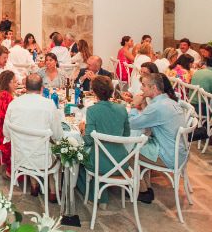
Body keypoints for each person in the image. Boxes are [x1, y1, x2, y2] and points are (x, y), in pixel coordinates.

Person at [129, 73, 186, 204]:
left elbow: (132, 123)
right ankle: (146, 187)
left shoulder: (157, 107)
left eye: (143, 85)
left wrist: (134, 105)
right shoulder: (170, 102)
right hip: (179, 152)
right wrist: (143, 106)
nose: (141, 89)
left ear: (154, 88)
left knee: (129, 149)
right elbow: (148, 119)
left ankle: (142, 191)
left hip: (169, 156)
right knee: (142, 144)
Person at [3, 73, 62, 199]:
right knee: (55, 150)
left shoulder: (14, 104)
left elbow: (6, 132)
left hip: (20, 157)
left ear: (25, 86)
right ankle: (53, 192)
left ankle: (34, 185)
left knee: (30, 141)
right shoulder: (49, 105)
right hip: (42, 160)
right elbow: (58, 136)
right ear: (42, 88)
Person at [76, 76, 131, 208]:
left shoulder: (92, 110)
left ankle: (96, 196)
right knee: (97, 156)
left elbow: (88, 140)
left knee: (77, 160)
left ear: (94, 92)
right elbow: (126, 134)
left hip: (99, 163)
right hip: (121, 162)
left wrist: (83, 130)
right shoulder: (122, 109)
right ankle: (102, 193)